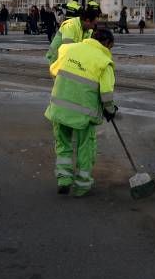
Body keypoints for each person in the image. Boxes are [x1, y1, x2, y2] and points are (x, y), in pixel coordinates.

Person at [45, 28, 117, 197]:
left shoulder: (68, 49)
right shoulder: (104, 61)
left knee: (63, 143)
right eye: (111, 47)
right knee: (85, 146)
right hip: (83, 113)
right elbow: (106, 93)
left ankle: (64, 179)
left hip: (59, 106)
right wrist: (110, 110)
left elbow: (54, 70)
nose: (110, 51)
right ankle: (82, 185)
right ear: (106, 43)